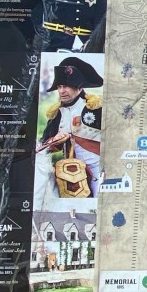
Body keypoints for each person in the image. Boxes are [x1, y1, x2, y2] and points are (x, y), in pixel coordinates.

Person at [34, 56, 103, 209]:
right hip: (70, 175)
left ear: (79, 87)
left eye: (66, 86)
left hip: (98, 172)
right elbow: (44, 146)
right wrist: (55, 140)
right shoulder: (56, 113)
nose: (61, 91)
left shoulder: (96, 107)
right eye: (59, 86)